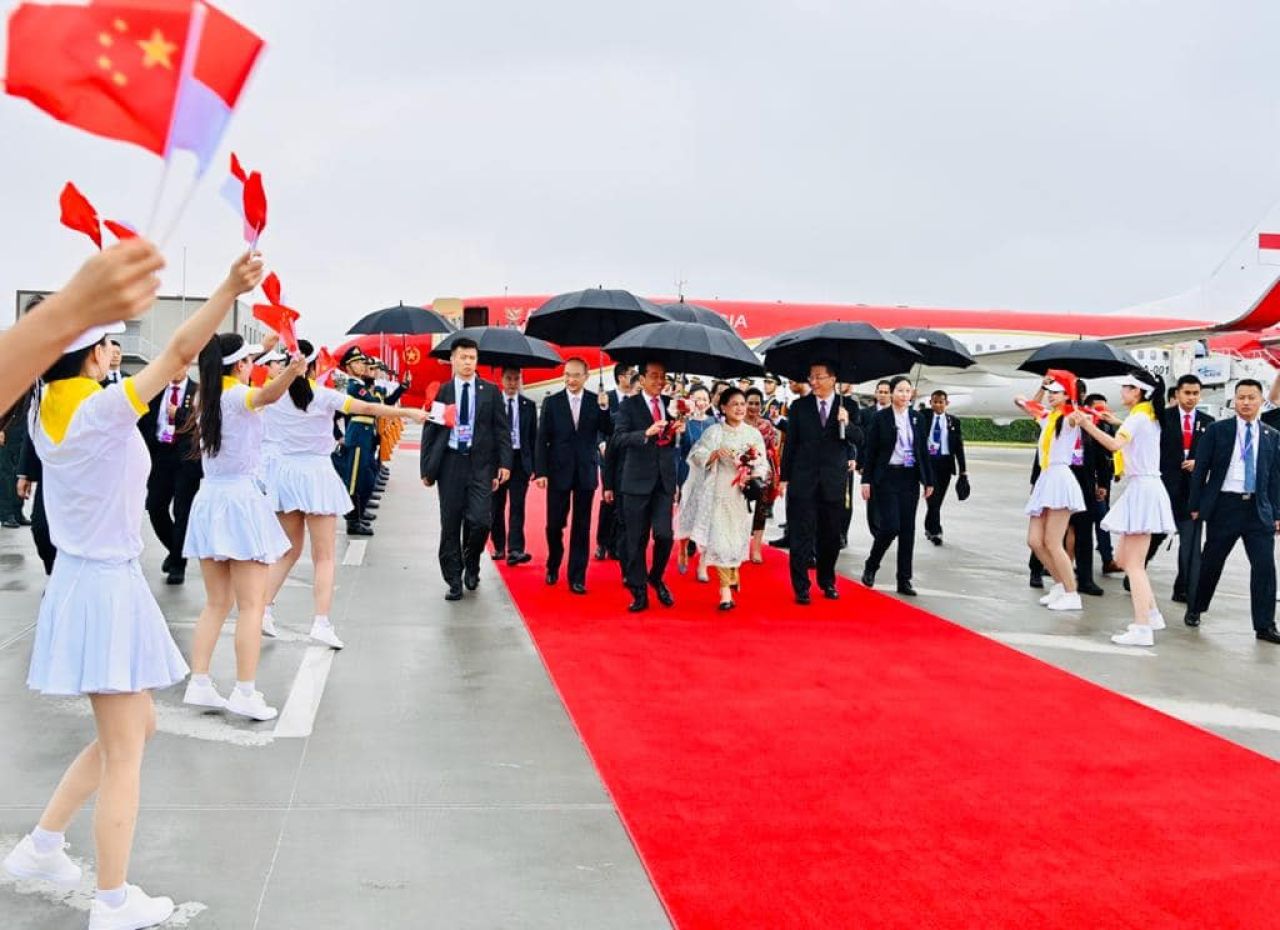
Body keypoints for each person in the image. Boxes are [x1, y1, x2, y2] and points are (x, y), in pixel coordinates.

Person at [2, 249, 255, 930]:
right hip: (103, 584)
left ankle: (42, 846)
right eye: (110, 340)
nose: (118, 348)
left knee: (136, 725)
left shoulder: (42, 406)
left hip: (92, 581)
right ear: (89, 354)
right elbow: (177, 352)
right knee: (126, 751)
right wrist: (227, 286)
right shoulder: (98, 410)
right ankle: (111, 901)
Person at [263, 341, 427, 648]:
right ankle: (321, 622)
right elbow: (367, 408)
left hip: (285, 476)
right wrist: (408, 411)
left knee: (288, 551)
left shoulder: (273, 395)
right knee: (324, 557)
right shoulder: (323, 395)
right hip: (316, 475)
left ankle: (264, 610)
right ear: (311, 367)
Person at [182, 333, 305, 721]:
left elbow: (249, 380)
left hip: (210, 499)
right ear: (239, 366)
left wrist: (266, 349)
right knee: (251, 605)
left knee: (217, 602)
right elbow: (266, 395)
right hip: (240, 501)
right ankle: (245, 691)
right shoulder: (237, 396)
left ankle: (199, 681)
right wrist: (292, 371)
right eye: (250, 359)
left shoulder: (207, 395)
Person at [0, 241, 163, 416]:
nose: (112, 350)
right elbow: (176, 355)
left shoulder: (47, 400)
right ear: (96, 354)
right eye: (106, 343)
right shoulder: (100, 409)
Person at [1072, 371, 1176, 646]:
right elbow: (1134, 437)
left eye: (1127, 388)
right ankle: (1151, 615)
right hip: (1143, 488)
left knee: (1133, 564)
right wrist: (1114, 421)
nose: (1122, 392)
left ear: (1138, 392)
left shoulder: (1140, 416)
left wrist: (1087, 425)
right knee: (1124, 558)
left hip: (1144, 490)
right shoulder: (1145, 415)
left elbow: (1115, 444)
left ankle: (1142, 628)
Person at [1184, 379, 1280, 642]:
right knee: (1212, 562)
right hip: (1225, 507)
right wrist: (1196, 506)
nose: (1246, 403)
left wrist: (1277, 513)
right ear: (1234, 400)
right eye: (1241, 398)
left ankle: (1265, 625)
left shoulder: (1271, 435)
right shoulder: (1218, 430)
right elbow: (1200, 470)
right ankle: (1196, 608)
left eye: (1251, 398)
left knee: (1264, 568)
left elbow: (1274, 477)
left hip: (1258, 510)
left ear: (1261, 401)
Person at [420, 338, 512, 601]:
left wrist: (504, 463)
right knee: (450, 524)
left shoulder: (490, 392)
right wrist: (426, 469)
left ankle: (472, 563)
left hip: (480, 464)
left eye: (472, 358)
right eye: (463, 357)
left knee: (482, 521)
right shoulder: (443, 392)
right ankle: (453, 579)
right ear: (453, 360)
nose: (468, 362)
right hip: (450, 463)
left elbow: (501, 430)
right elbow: (431, 431)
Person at [678, 388, 770, 609]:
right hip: (718, 492)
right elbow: (696, 454)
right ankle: (725, 591)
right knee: (719, 539)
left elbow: (763, 463)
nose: (740, 408)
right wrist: (713, 455)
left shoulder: (752, 434)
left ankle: (732, 573)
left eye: (742, 403)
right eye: (734, 404)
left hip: (741, 496)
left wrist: (752, 470)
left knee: (735, 540)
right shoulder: (714, 433)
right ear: (723, 408)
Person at [779, 362, 857, 603]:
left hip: (833, 482)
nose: (813, 382)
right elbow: (791, 445)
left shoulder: (849, 406)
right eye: (811, 377)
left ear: (833, 379)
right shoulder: (799, 407)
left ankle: (827, 581)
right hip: (803, 480)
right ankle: (801, 587)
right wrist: (784, 478)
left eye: (819, 377)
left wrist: (848, 424)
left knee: (830, 536)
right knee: (800, 536)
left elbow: (861, 439)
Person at [613, 359, 685, 612]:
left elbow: (675, 444)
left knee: (665, 535)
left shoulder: (672, 405)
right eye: (654, 376)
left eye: (662, 376)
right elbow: (619, 439)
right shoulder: (628, 406)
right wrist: (646, 433)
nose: (659, 381)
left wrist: (678, 431)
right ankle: (639, 589)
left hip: (664, 481)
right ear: (641, 379)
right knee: (636, 539)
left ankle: (655, 576)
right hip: (635, 482)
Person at [535, 357, 611, 593]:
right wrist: (541, 471)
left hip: (586, 471)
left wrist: (605, 408)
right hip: (558, 470)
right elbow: (541, 439)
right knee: (554, 524)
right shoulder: (552, 402)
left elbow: (609, 430)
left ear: (586, 377)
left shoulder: (595, 401)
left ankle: (577, 576)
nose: (570, 379)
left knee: (582, 525)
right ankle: (553, 563)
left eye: (576, 375)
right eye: (567, 374)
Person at [1017, 374, 1087, 611]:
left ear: (1067, 395)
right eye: (1051, 391)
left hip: (1059, 478)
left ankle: (1072, 592)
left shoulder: (1067, 418)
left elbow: (1076, 419)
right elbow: (1022, 402)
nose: (1051, 395)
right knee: (1035, 541)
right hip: (1045, 478)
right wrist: (1042, 386)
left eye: (1057, 392)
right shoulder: (1048, 416)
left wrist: (1075, 405)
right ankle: (1060, 585)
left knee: (1053, 542)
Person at [861, 375, 933, 595]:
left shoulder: (917, 418)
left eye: (907, 391)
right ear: (891, 393)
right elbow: (871, 450)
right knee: (891, 526)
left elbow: (922, 451)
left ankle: (904, 579)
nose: (904, 395)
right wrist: (866, 480)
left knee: (908, 530)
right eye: (900, 390)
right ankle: (872, 564)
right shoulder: (881, 418)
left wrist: (928, 480)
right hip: (887, 477)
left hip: (909, 477)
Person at [137, 364, 201, 585]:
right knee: (155, 507)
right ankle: (175, 551)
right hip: (160, 456)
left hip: (186, 459)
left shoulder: (197, 391)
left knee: (182, 511)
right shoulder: (156, 391)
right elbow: (143, 421)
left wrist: (180, 414)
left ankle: (178, 565)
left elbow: (200, 422)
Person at [1157, 375, 1213, 604]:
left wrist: (1199, 462)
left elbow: (1216, 456)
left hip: (1193, 494)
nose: (1191, 398)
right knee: (1152, 538)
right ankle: (1134, 574)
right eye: (1187, 393)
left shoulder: (1209, 422)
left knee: (1190, 546)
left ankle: (1185, 590)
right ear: (1177, 393)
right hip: (1164, 490)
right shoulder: (1163, 418)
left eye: (1195, 393)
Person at [492, 366, 537, 565]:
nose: (512, 383)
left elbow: (534, 437)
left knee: (517, 506)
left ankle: (516, 549)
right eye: (509, 379)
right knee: (496, 506)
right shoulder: (494, 404)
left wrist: (536, 466)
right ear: (502, 380)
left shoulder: (528, 405)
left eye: (516, 379)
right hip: (498, 460)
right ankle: (499, 546)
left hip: (520, 460)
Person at [333, 348, 380, 536]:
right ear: (348, 367)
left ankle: (358, 514)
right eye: (357, 362)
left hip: (365, 435)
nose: (363, 366)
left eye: (363, 362)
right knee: (353, 480)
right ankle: (352, 520)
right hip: (358, 436)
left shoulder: (360, 385)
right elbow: (372, 404)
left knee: (366, 479)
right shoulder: (353, 386)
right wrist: (338, 434)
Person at [918, 390, 967, 546]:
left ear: (947, 404)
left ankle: (929, 526)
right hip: (929, 462)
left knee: (938, 499)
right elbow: (911, 413)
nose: (938, 405)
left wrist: (963, 469)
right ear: (931, 403)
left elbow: (959, 446)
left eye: (941, 402)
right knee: (933, 497)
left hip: (946, 463)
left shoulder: (953, 421)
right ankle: (936, 531)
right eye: (935, 402)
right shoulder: (924, 417)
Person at [596, 363, 634, 560]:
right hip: (609, 455)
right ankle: (602, 542)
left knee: (624, 502)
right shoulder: (607, 398)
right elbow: (598, 426)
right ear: (620, 377)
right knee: (609, 499)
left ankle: (617, 545)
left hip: (629, 458)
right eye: (631, 373)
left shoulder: (636, 398)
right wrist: (601, 443)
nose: (634, 377)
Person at [676, 385, 714, 578]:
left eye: (704, 398)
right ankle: (682, 549)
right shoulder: (685, 422)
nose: (701, 402)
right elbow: (680, 451)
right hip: (689, 475)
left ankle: (703, 564)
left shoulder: (715, 423)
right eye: (697, 398)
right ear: (690, 400)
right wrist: (680, 432)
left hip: (710, 477)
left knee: (708, 519)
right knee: (687, 515)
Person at [744, 387, 782, 563]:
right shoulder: (736, 423)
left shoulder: (766, 426)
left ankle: (757, 547)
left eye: (757, 403)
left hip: (762, 469)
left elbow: (772, 451)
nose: (753, 407)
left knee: (762, 508)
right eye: (750, 403)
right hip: (740, 470)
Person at [858, 379, 893, 538]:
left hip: (891, 465)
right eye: (880, 392)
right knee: (872, 502)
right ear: (875, 393)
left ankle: (886, 529)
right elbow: (860, 440)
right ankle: (876, 532)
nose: (883, 395)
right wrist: (860, 463)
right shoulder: (865, 414)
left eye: (886, 392)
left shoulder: (897, 414)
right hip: (870, 464)